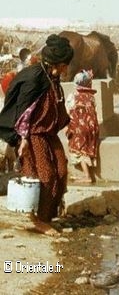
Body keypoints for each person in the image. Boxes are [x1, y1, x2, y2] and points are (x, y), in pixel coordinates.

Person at [0, 34, 74, 236]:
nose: (68, 68)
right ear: (58, 64)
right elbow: (24, 112)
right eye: (66, 64)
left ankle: (48, 216)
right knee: (45, 175)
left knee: (61, 171)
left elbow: (57, 104)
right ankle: (39, 220)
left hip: (49, 133)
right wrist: (22, 140)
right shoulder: (35, 78)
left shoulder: (53, 77)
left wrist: (66, 124)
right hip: (33, 136)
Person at [66, 69, 99, 183]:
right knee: (87, 147)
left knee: (79, 150)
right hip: (92, 126)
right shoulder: (91, 97)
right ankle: (87, 174)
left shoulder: (73, 96)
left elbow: (68, 111)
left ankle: (87, 176)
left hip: (80, 127)